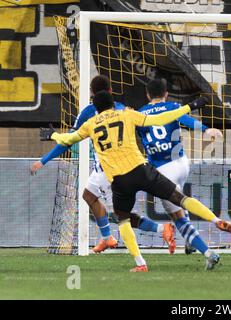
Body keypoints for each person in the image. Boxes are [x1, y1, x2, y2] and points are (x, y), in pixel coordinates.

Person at [44, 90, 231, 272]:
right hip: (142, 170)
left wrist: (52, 134)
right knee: (180, 198)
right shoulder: (127, 114)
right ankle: (216, 220)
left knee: (122, 219)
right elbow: (160, 118)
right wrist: (191, 105)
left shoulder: (90, 124)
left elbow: (67, 140)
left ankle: (140, 263)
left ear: (95, 107)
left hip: (120, 181)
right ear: (113, 103)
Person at [31, 75, 175, 254]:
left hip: (110, 171)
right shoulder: (123, 109)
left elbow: (67, 141)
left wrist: (43, 160)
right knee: (88, 195)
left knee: (118, 214)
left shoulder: (89, 111)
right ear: (110, 91)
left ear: (92, 93)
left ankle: (161, 230)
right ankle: (107, 238)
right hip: (119, 166)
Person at [137, 78, 223, 257]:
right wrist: (207, 130)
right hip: (182, 163)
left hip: (162, 170)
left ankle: (207, 253)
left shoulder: (140, 114)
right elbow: (187, 120)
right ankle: (191, 243)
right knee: (180, 199)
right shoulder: (173, 107)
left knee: (178, 217)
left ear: (147, 95)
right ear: (166, 93)